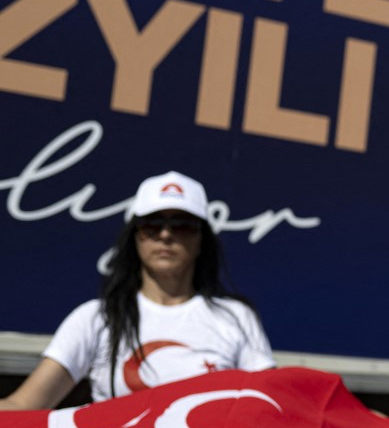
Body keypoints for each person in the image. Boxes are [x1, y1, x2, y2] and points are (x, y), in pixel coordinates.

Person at [0, 171, 275, 410]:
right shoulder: (96, 317)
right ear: (135, 237)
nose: (166, 235)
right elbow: (23, 405)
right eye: (152, 225)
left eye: (182, 225)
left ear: (202, 239)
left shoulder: (236, 317)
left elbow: (272, 407)